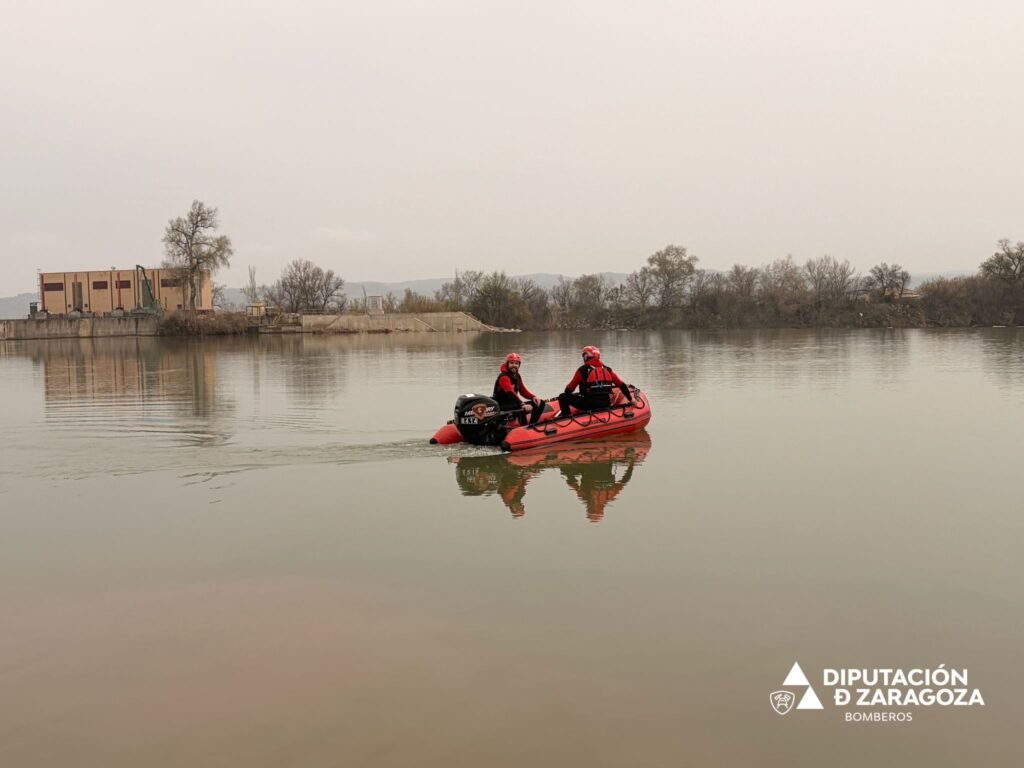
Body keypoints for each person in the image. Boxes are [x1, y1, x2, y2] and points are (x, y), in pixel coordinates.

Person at [557, 346, 634, 417]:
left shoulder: (582, 370)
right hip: (606, 404)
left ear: (587, 357)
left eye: (584, 356)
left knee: (563, 397)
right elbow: (622, 385)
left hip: (589, 404)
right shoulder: (608, 369)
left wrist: (568, 387)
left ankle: (567, 419)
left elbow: (568, 391)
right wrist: (631, 399)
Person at [493, 353, 545, 425]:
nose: (514, 365)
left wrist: (533, 397)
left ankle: (532, 424)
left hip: (513, 403)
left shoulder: (517, 376)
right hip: (502, 405)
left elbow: (523, 391)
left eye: (516, 363)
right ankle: (524, 427)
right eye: (511, 363)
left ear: (519, 365)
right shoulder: (504, 377)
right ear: (507, 364)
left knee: (540, 403)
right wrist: (522, 404)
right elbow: (510, 393)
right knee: (520, 407)